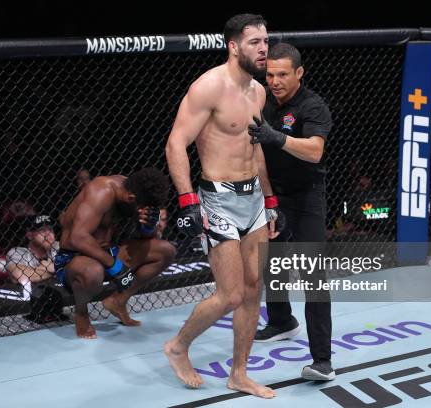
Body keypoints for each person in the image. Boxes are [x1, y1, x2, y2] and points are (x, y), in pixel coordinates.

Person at [164, 13, 282, 398]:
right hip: (217, 198)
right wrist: (187, 202)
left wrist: (270, 199)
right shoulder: (208, 87)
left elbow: (256, 147)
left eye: (266, 41)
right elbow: (176, 144)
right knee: (230, 294)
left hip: (253, 201)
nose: (264, 49)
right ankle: (179, 346)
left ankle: (239, 373)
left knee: (253, 289)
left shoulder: (259, 92)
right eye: (255, 43)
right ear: (234, 46)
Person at [248, 42, 335, 381]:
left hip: (307, 196)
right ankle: (282, 321)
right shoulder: (262, 101)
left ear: (299, 73)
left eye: (283, 74)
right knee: (272, 261)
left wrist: (277, 138)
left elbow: (315, 151)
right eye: (270, 74)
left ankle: (323, 360)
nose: (275, 81)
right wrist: (269, 198)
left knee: (313, 277)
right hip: (273, 194)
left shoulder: (313, 106)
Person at [55, 167, 176, 339]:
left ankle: (118, 301)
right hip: (74, 258)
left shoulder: (137, 191)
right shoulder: (101, 192)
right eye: (140, 207)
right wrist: (114, 265)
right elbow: (78, 238)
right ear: (131, 198)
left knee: (166, 250)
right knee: (92, 270)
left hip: (108, 252)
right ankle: (81, 313)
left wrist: (148, 226)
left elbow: (145, 237)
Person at [6, 215, 59, 285]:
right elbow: (22, 276)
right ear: (29, 236)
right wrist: (58, 269)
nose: (48, 234)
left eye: (50, 229)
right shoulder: (18, 252)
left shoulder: (58, 246)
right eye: (42, 230)